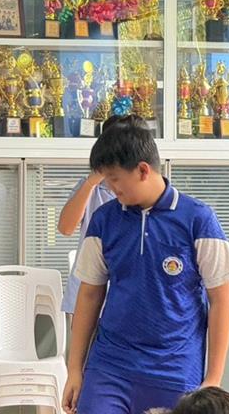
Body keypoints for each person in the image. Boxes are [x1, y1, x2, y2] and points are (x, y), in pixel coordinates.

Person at [62, 123, 229, 414]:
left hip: (175, 368)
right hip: (110, 365)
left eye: (114, 179)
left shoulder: (198, 219)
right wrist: (74, 368)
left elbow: (222, 300)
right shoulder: (104, 220)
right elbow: (89, 295)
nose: (110, 187)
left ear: (143, 170)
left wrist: (213, 379)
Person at [58, 115, 146, 317]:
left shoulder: (147, 190)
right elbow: (65, 228)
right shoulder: (90, 188)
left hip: (129, 301)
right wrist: (91, 182)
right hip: (86, 297)